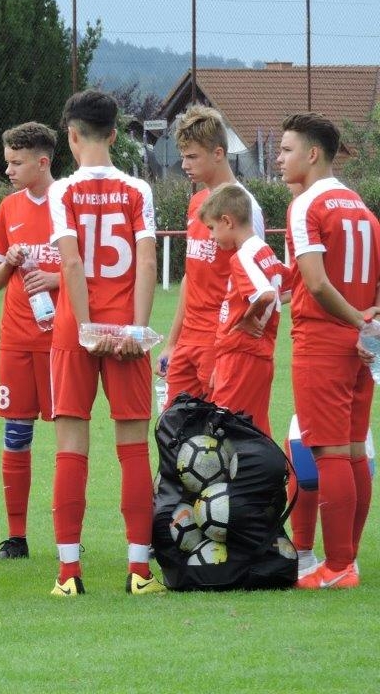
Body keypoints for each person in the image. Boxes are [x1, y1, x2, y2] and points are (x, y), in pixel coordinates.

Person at [46, 89, 164, 596]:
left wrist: (88, 327)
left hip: (77, 332)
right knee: (133, 448)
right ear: (115, 134)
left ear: (72, 135)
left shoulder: (62, 192)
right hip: (128, 336)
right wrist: (135, 331)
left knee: (72, 447)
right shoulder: (139, 190)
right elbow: (147, 262)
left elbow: (70, 263)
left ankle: (69, 574)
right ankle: (139, 571)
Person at [279, 113, 379, 590]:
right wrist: (368, 322)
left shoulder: (305, 206)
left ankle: (337, 566)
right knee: (356, 451)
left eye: (285, 149)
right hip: (362, 344)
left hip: (325, 337)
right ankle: (349, 561)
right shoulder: (360, 205)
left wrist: (356, 319)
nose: (279, 159)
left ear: (312, 154)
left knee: (332, 453)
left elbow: (316, 283)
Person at [0, 122, 61, 559]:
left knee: (68, 435)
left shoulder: (68, 205)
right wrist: (10, 261)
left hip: (59, 341)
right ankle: (17, 537)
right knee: (16, 433)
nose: (9, 169)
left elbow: (86, 274)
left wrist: (52, 277)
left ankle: (66, 535)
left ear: (42, 162)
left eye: (16, 162)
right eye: (7, 161)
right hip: (16, 338)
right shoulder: (8, 208)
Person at [159, 106, 264, 404]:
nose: (184, 165)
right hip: (188, 341)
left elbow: (256, 281)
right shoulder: (197, 203)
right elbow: (191, 277)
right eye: (183, 156)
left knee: (219, 439)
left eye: (193, 157)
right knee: (174, 432)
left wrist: (231, 347)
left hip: (220, 340)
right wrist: (172, 343)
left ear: (218, 153)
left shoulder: (245, 207)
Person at [198, 184, 289, 436]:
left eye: (212, 228)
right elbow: (284, 290)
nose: (211, 236)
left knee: (223, 433)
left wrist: (248, 320)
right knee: (256, 432)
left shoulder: (243, 256)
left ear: (227, 221)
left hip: (241, 356)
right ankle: (270, 476)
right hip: (257, 357)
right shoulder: (266, 252)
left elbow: (266, 294)